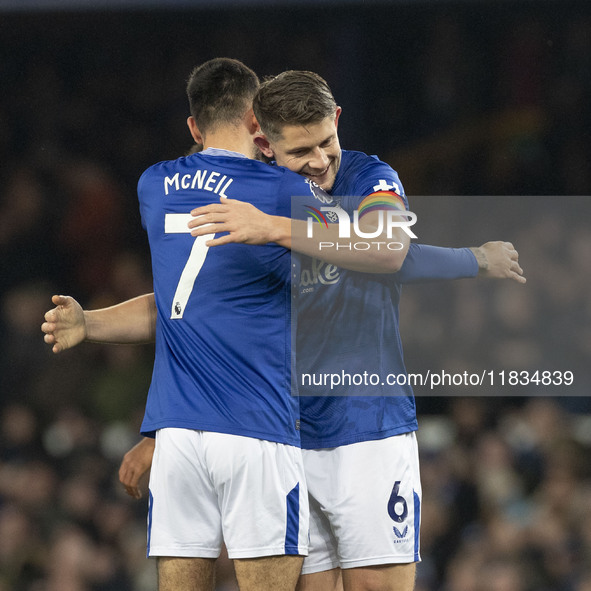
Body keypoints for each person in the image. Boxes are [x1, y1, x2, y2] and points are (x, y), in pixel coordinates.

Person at [43, 66, 525, 591]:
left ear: (338, 121)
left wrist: (473, 259)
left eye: (326, 143)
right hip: (286, 433)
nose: (320, 162)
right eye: (301, 152)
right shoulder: (264, 191)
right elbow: (196, 308)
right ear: (265, 144)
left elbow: (390, 250)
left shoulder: (369, 177)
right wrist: (165, 430)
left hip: (365, 423)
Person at [83, 57, 336, 591]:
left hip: (177, 437)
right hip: (258, 426)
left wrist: (88, 323)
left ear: (193, 128)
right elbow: (357, 249)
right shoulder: (281, 190)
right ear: (257, 121)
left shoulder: (154, 185)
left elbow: (182, 303)